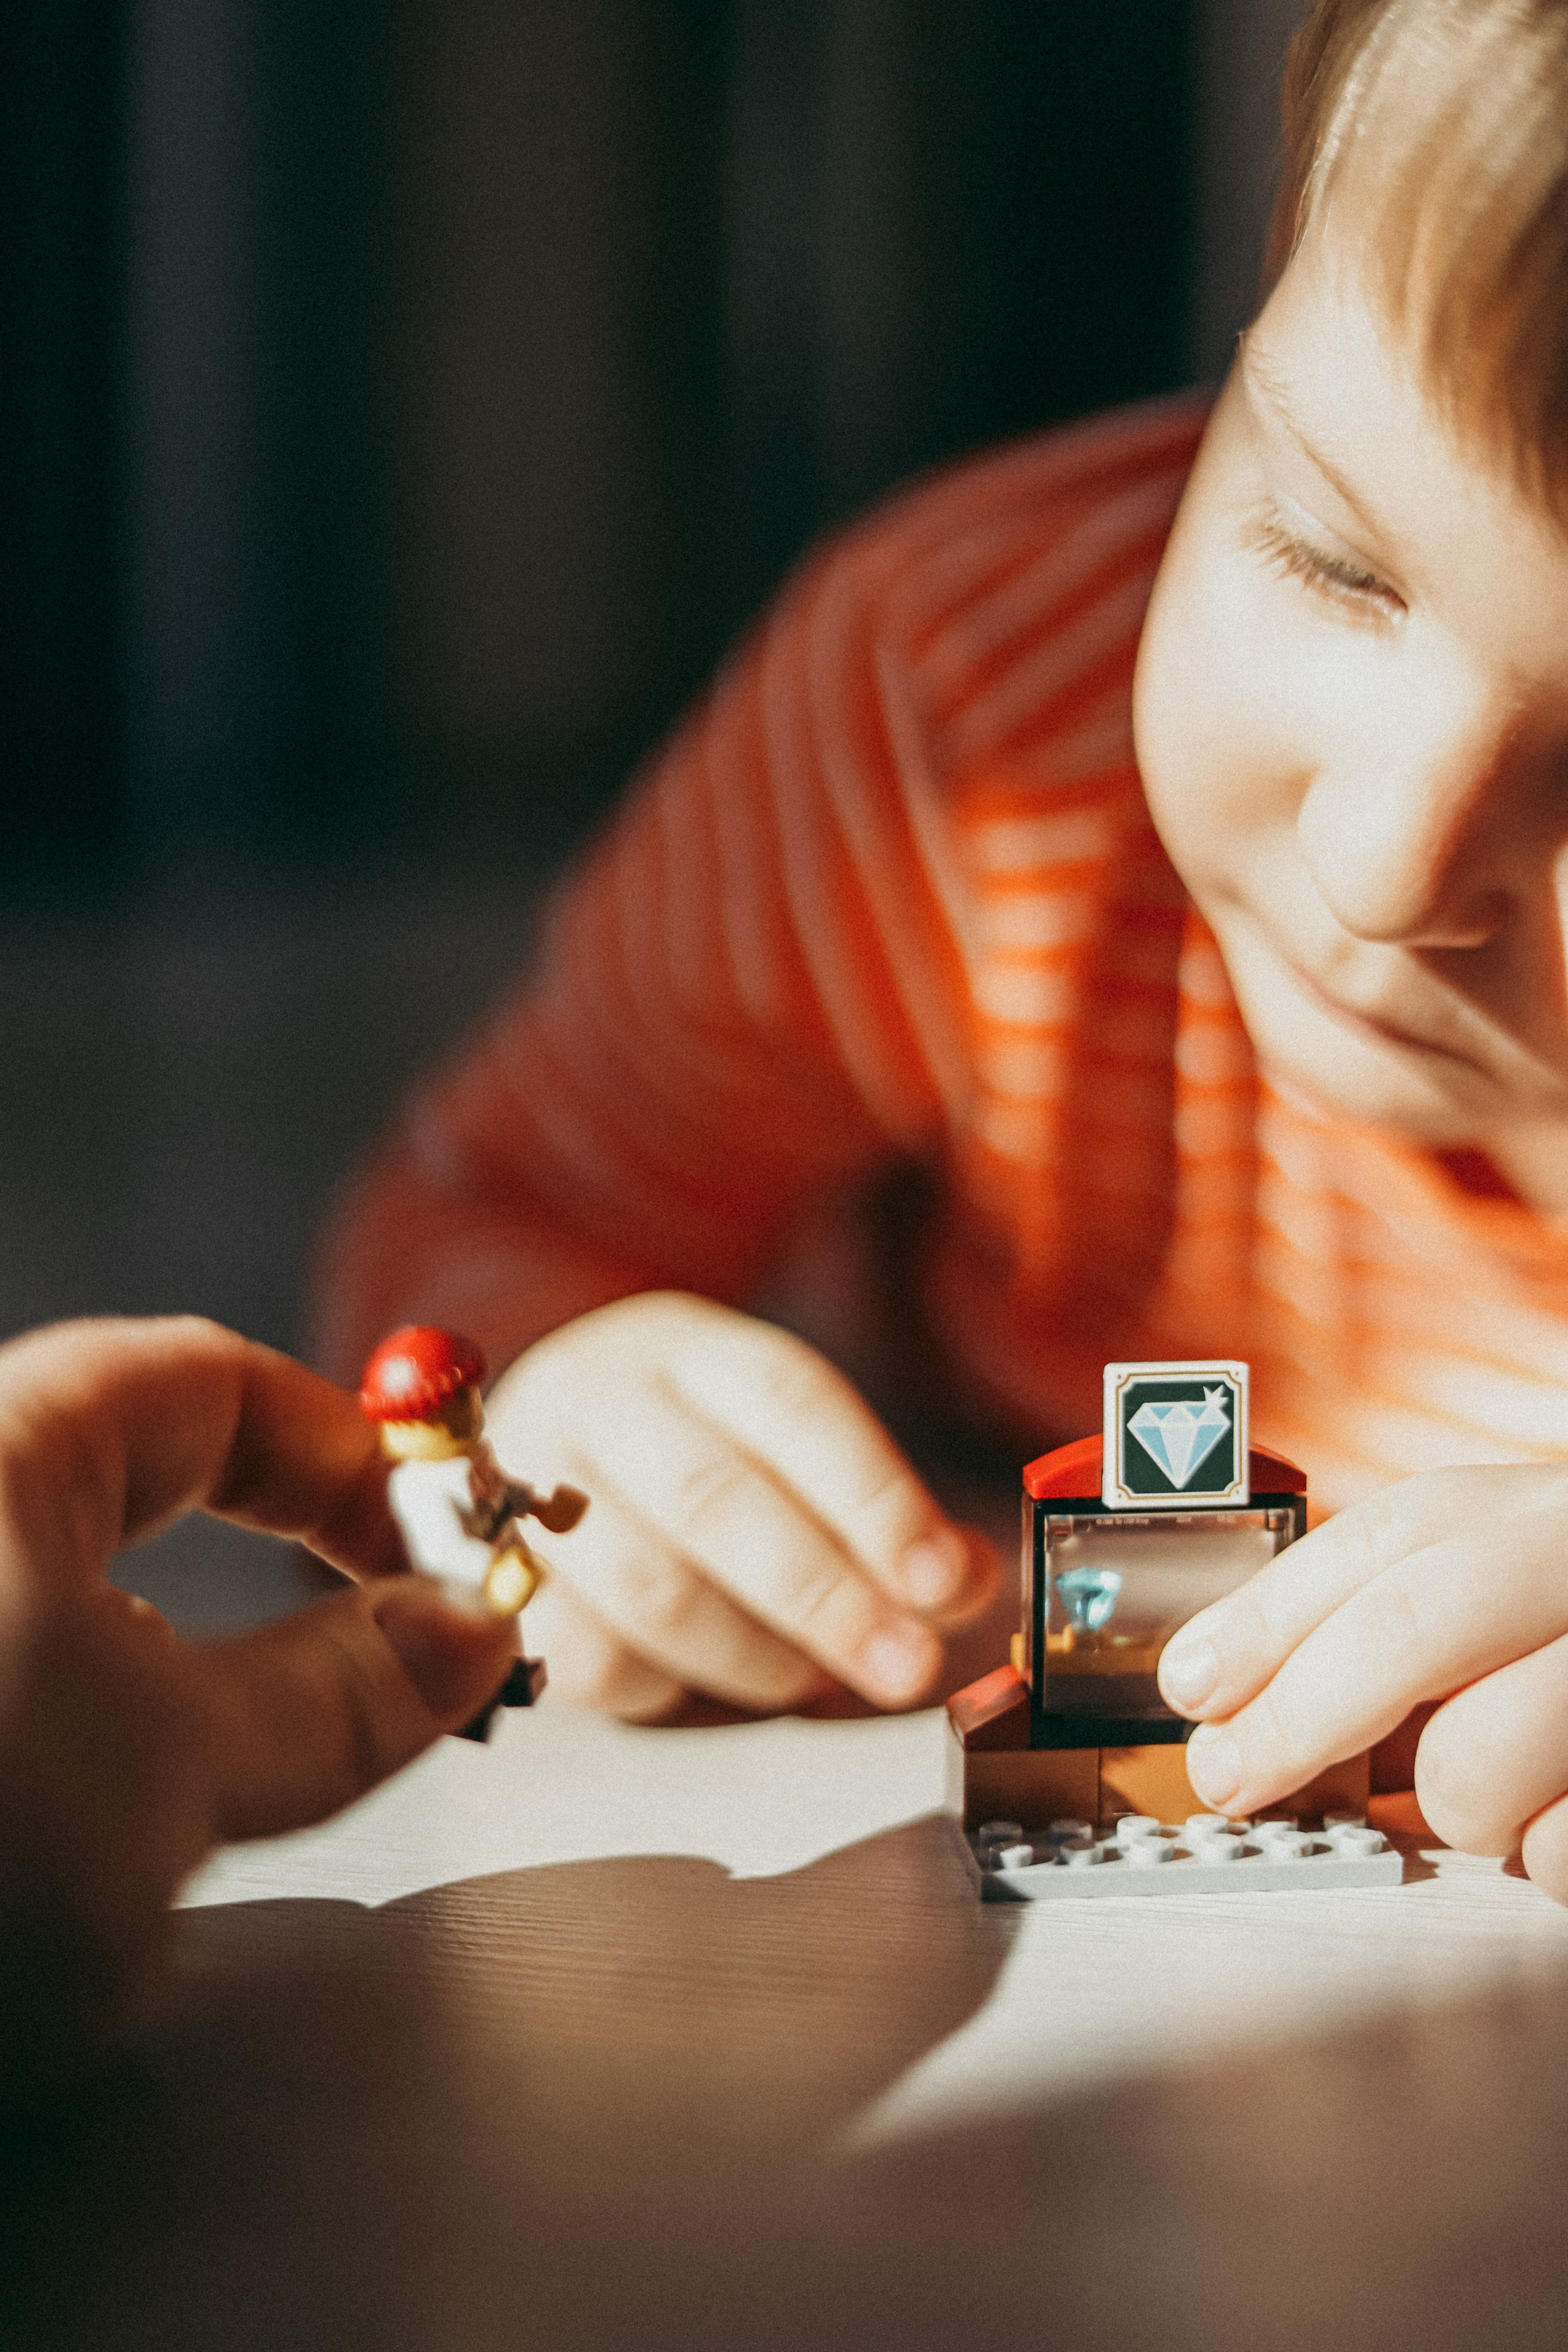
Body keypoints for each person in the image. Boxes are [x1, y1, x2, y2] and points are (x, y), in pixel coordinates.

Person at [315, 0, 1568, 1901]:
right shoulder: (960, 717)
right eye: (1329, 558)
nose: (1382, 861)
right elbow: (471, 1234)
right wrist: (559, 1413)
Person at [0, 1315, 526, 2098]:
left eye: (466, 1408)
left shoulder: (462, 1467)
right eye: (442, 1413)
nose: (461, 1424)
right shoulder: (418, 1485)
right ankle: (489, 1684)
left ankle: (497, 1681)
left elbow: (498, 1502)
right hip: (451, 1607)